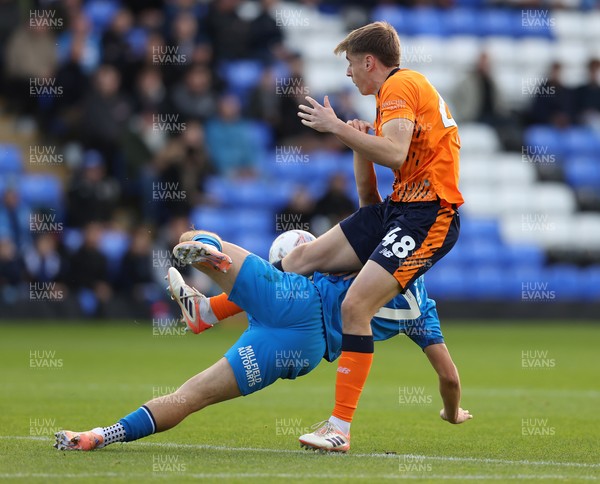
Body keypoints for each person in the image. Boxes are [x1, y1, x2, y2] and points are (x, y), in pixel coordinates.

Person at [54, 230, 471, 452]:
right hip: (304, 353)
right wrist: (452, 413)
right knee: (192, 396)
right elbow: (449, 378)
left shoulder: (375, 253)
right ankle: (99, 436)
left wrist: (355, 138)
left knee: (192, 237)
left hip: (297, 305)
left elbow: (367, 204)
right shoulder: (424, 314)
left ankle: (207, 289)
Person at [276, 21, 464, 450]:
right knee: (302, 259)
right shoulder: (394, 95)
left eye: (349, 64)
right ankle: (210, 309)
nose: (348, 74)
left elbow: (395, 153)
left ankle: (339, 428)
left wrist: (337, 127)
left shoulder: (400, 87)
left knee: (356, 305)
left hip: (428, 215)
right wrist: (358, 139)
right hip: (400, 209)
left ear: (368, 61)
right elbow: (371, 191)